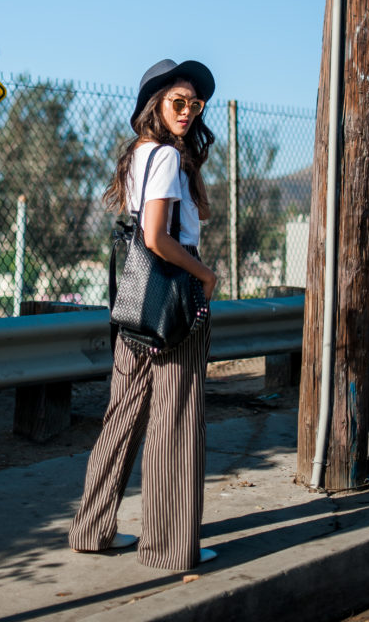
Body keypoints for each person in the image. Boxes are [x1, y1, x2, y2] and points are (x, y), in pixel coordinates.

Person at [69, 58, 218, 570]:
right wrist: (203, 275)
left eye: (195, 105)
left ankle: (91, 527)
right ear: (155, 105)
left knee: (123, 415)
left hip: (135, 303)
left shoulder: (140, 155)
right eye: (178, 102)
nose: (188, 112)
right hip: (174, 302)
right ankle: (169, 549)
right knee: (175, 422)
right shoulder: (167, 160)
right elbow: (156, 237)